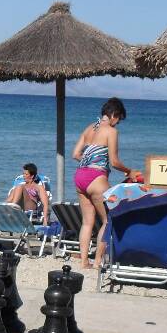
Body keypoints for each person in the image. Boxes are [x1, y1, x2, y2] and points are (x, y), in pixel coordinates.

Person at [72, 97, 137, 269]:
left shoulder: (89, 128)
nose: (117, 123)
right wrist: (129, 171)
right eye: (118, 120)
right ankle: (97, 262)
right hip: (96, 179)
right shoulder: (111, 131)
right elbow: (114, 162)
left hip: (80, 176)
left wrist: (91, 160)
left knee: (87, 222)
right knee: (108, 220)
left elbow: (75, 154)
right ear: (114, 114)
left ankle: (84, 261)